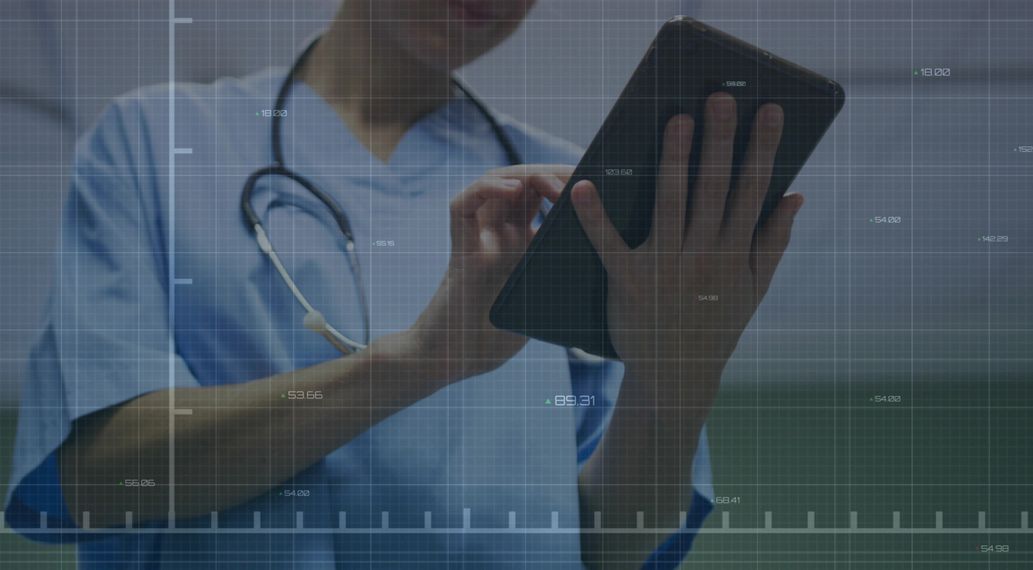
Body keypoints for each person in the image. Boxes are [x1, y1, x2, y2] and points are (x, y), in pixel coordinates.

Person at [5, 0, 801, 567]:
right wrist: (418, 361)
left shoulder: (573, 201)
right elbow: (94, 479)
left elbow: (609, 541)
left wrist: (678, 373)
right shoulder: (157, 144)